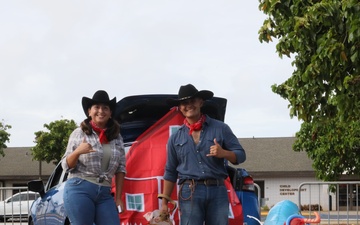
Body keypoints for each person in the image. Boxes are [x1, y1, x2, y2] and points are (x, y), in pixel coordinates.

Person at [160, 84, 246, 225]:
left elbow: (241, 155)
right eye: (184, 103)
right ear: (180, 108)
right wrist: (164, 203)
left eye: (192, 101)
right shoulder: (175, 139)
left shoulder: (221, 128)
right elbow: (170, 171)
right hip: (189, 192)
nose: (188, 106)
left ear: (201, 102)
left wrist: (224, 153)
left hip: (217, 190)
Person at [61, 90, 126, 225]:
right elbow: (66, 165)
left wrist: (118, 198)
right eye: (97, 107)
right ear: (89, 112)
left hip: (104, 192)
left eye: (105, 108)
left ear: (110, 113)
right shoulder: (79, 133)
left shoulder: (116, 137)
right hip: (80, 188)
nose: (101, 111)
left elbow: (121, 168)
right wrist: (77, 152)